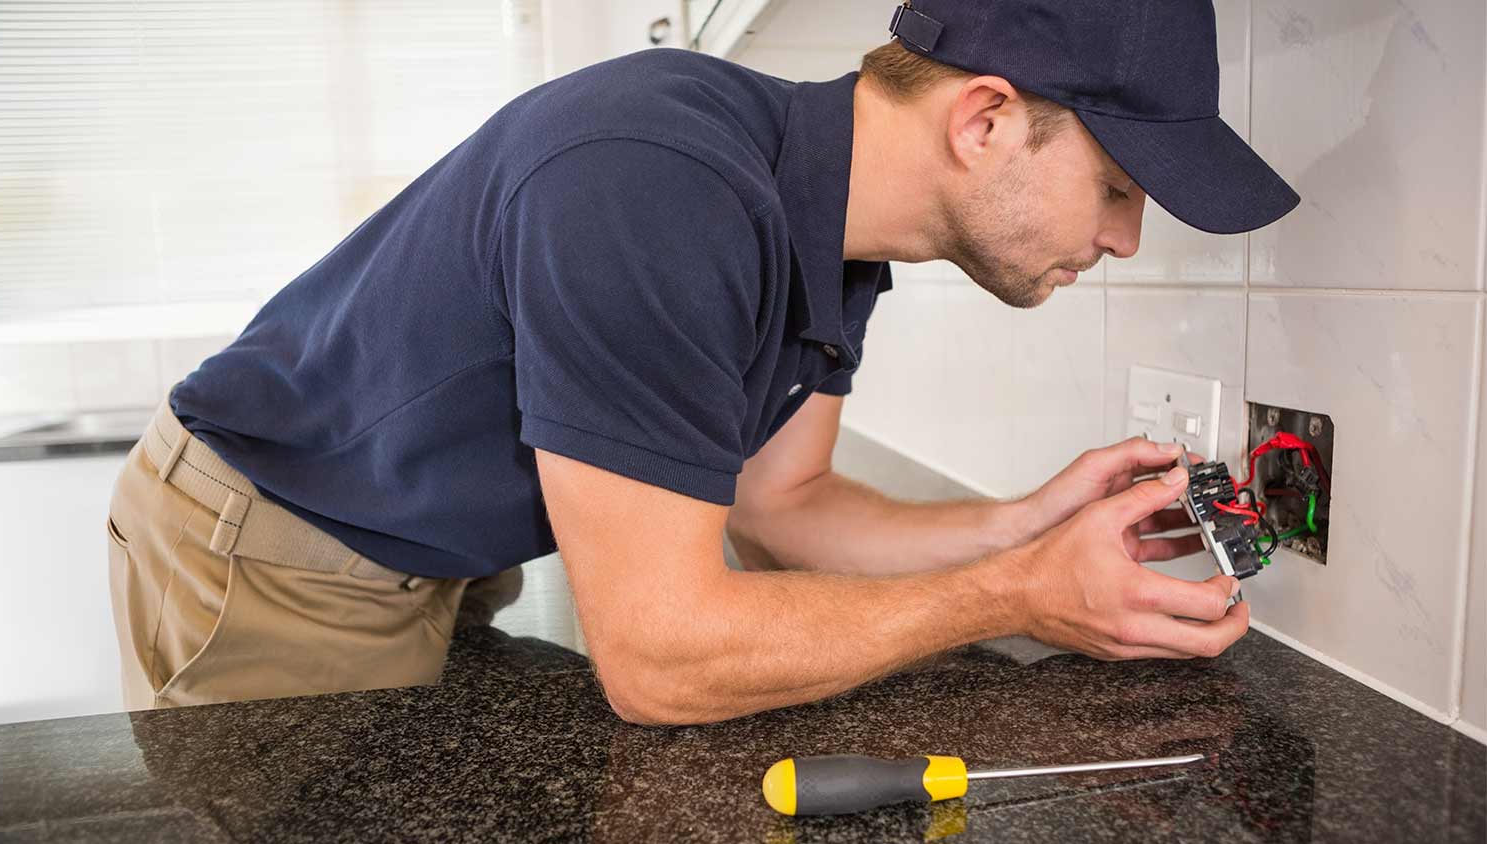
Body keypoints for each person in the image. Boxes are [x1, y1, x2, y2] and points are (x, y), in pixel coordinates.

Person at [106, 0, 1298, 721]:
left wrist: (1025, 527)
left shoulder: (833, 236)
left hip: (443, 544)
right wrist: (1017, 597)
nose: (1124, 237)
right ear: (984, 120)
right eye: (1117, 186)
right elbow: (660, 656)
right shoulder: (656, 186)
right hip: (275, 541)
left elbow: (788, 506)